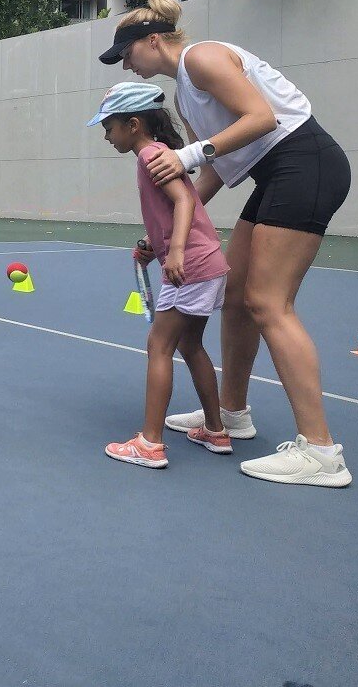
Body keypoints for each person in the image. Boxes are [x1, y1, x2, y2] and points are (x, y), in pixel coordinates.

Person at [99, 0, 352, 487]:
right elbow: (213, 169)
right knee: (235, 296)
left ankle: (321, 452)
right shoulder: (183, 94)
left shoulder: (203, 57)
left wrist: (188, 153)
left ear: (154, 41)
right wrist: (174, 228)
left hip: (305, 163)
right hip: (273, 174)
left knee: (268, 302)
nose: (127, 64)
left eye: (128, 53)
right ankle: (232, 412)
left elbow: (262, 118)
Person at [88, 82, 231, 469]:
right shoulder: (159, 153)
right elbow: (173, 209)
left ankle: (150, 443)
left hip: (192, 267)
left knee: (160, 345)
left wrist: (178, 252)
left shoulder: (150, 154)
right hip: (206, 263)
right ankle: (215, 430)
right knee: (191, 346)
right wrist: (156, 246)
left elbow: (185, 201)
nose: (105, 135)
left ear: (133, 124)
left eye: (109, 127)